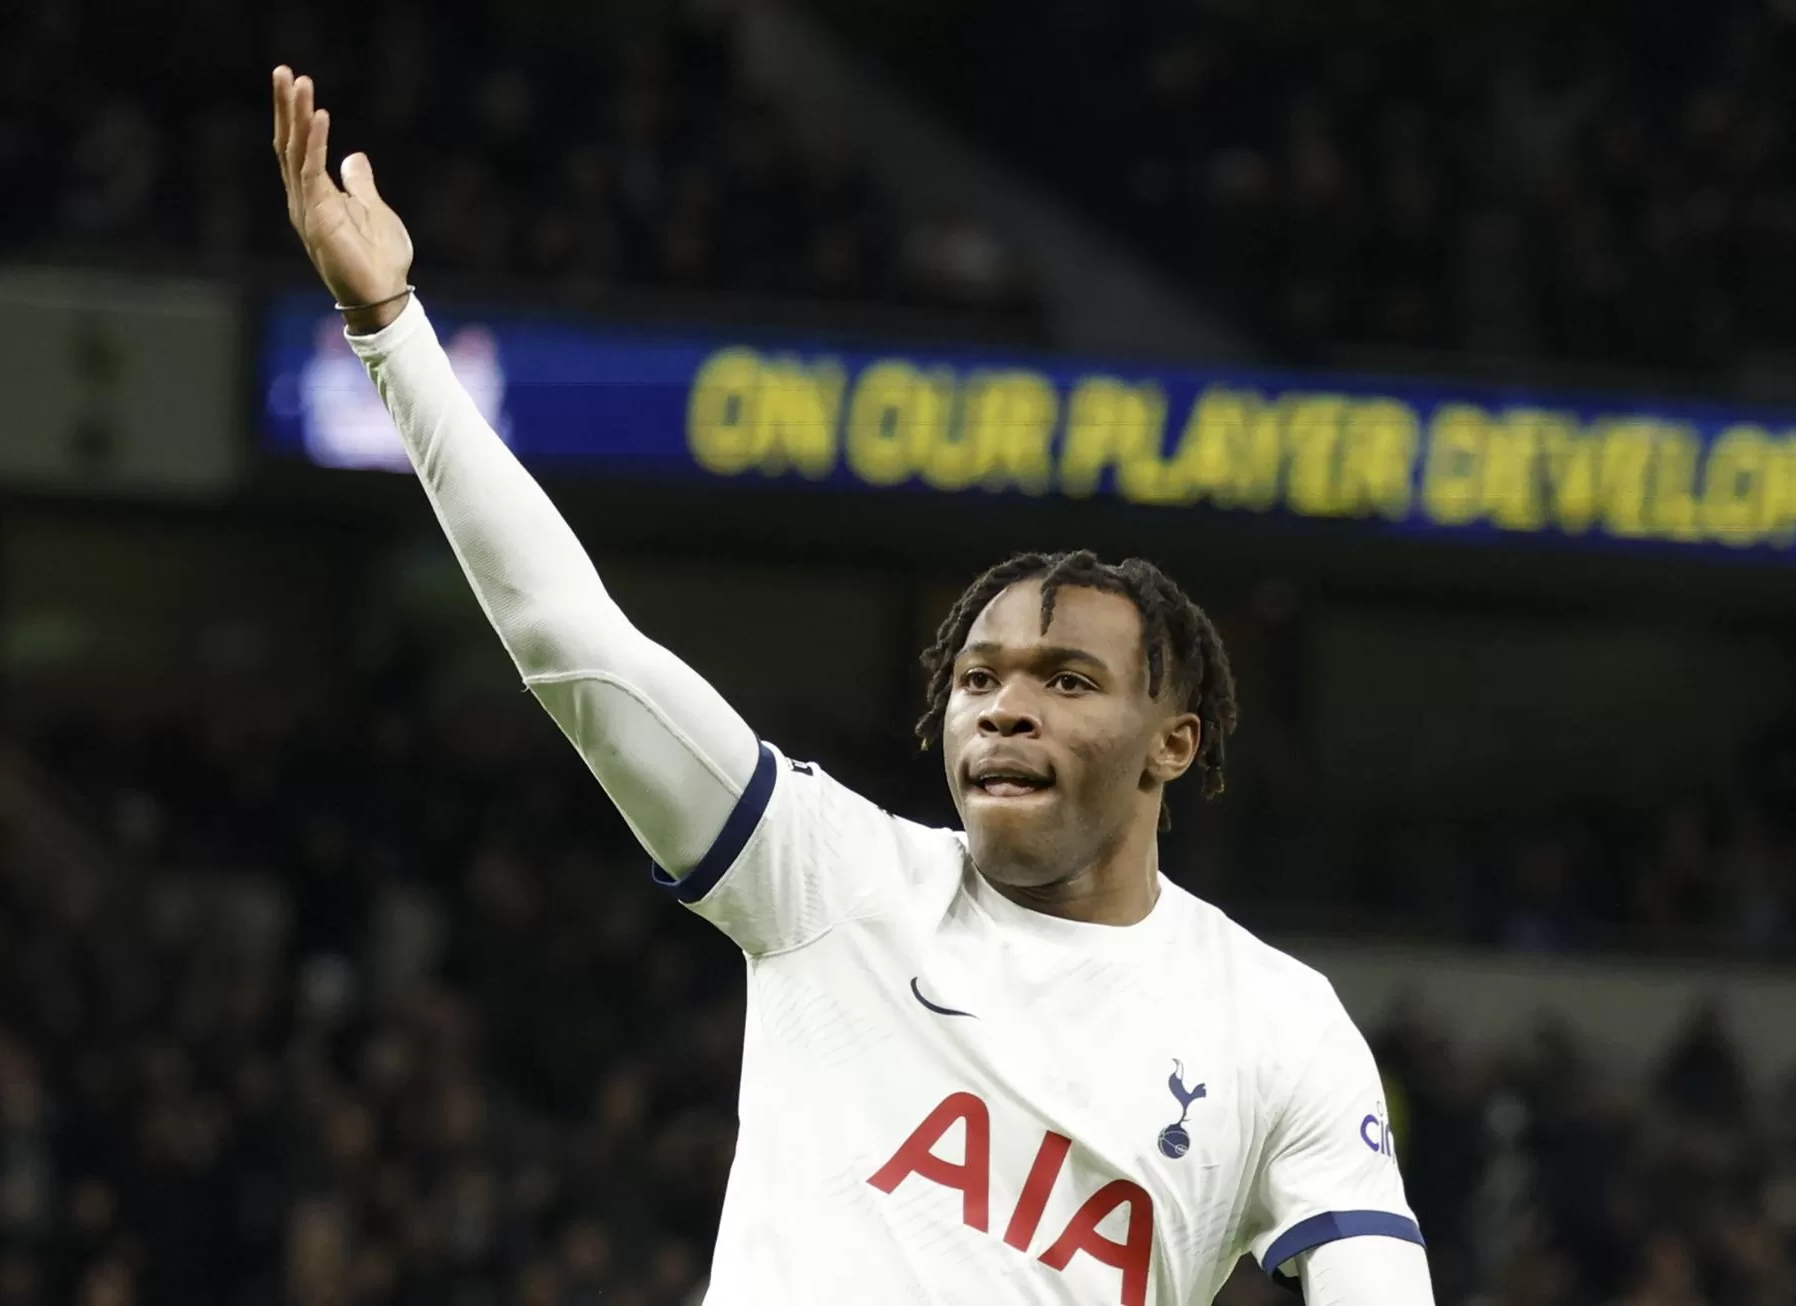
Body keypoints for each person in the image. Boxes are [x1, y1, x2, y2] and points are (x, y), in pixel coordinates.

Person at [269, 66, 1435, 1306]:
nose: (1005, 706)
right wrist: (391, 329)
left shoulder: (1275, 1022)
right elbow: (576, 642)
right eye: (978, 677)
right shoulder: (830, 878)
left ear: (1174, 742)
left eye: (1068, 678)